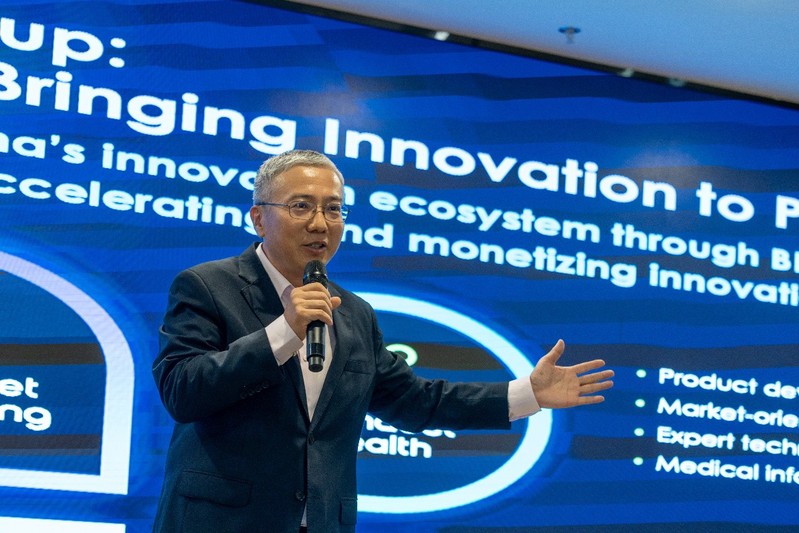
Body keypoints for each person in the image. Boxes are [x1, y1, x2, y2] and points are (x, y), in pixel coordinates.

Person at [152, 149, 614, 533]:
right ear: (259, 218)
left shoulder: (353, 314)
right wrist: (283, 332)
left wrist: (527, 394)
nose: (320, 223)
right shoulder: (207, 286)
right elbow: (182, 390)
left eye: (334, 209)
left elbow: (415, 401)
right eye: (301, 206)